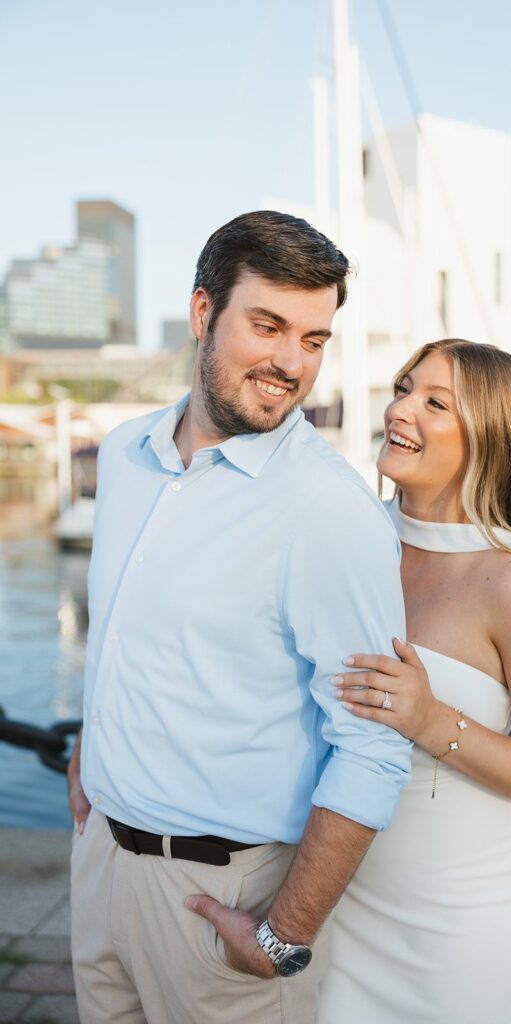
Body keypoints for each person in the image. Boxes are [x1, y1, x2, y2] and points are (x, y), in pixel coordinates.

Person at [67, 210, 412, 1024]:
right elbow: (126, 628)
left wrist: (283, 936)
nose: (291, 363)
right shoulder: (123, 454)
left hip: (226, 898)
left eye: (313, 339)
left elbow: (372, 745)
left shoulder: (328, 510)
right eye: (267, 326)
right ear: (202, 312)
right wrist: (92, 749)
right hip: (100, 866)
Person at [317, 339, 511, 1024]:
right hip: (335, 899)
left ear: (488, 437)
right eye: (403, 388)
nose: (400, 409)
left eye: (434, 403)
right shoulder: (351, 540)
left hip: (457, 923)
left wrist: (430, 720)